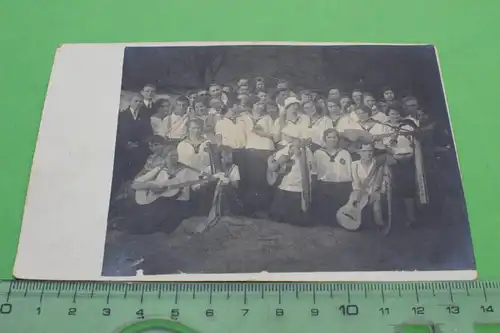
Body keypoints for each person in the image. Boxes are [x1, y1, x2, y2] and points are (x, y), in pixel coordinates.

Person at [127, 146, 204, 234]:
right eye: (171, 156)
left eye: (176, 155)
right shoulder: (158, 170)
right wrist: (149, 185)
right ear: (165, 157)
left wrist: (202, 186)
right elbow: (135, 184)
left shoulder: (187, 171)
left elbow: (197, 187)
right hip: (156, 204)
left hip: (178, 204)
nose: (174, 158)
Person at [370, 103, 416, 225]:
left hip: (407, 159)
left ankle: (410, 218)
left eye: (397, 113)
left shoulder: (408, 126)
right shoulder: (382, 127)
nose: (394, 116)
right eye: (392, 113)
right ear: (387, 114)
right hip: (390, 160)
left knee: (407, 189)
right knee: (390, 188)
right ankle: (392, 218)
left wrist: (411, 153)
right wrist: (388, 150)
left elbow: (414, 143)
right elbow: (375, 143)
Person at [269, 125, 315, 226]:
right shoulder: (285, 149)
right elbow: (273, 164)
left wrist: (299, 155)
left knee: (296, 220)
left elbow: (309, 167)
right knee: (277, 217)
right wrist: (277, 163)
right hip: (285, 183)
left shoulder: (306, 151)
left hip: (299, 185)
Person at [112, 93, 154, 198]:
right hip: (123, 150)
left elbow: (149, 133)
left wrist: (139, 144)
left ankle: (132, 195)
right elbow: (116, 133)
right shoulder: (121, 116)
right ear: (130, 102)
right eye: (136, 101)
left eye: (140, 101)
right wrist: (125, 143)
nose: (138, 103)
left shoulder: (145, 117)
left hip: (139, 149)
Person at [240, 101, 275, 214]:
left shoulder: (267, 117)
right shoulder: (244, 117)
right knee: (252, 179)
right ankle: (252, 207)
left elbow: (273, 134)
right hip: (251, 149)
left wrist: (261, 133)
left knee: (264, 178)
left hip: (266, 149)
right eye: (257, 104)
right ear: (252, 105)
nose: (260, 106)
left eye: (261, 104)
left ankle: (263, 207)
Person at [313, 129, 352, 225]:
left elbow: (349, 170)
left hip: (341, 185)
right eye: (329, 137)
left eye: (334, 137)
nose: (332, 139)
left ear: (338, 139)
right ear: (325, 139)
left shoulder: (344, 153)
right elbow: (314, 170)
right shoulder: (318, 153)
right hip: (324, 184)